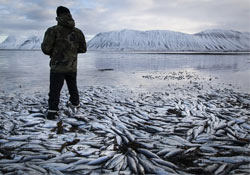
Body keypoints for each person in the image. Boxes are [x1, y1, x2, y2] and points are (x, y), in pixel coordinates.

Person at [41, 6, 87, 120]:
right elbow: (83, 49)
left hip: (57, 66)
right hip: (72, 66)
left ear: (57, 16)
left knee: (55, 90)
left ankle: (52, 111)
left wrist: (56, 52)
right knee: (73, 87)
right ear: (69, 14)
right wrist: (71, 52)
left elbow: (46, 49)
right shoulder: (78, 32)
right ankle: (75, 104)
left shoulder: (52, 30)